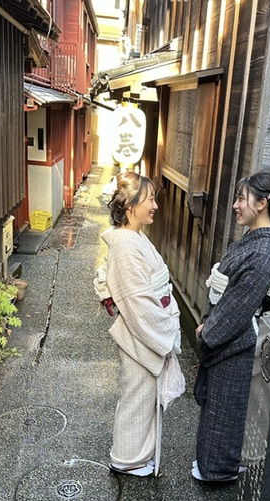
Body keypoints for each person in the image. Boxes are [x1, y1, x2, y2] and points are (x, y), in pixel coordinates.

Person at [193, 171, 270, 482]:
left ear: (262, 203)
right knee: (220, 407)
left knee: (226, 408)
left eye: (241, 198)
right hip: (228, 331)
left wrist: (208, 332)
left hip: (235, 341)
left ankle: (218, 470)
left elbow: (240, 304)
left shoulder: (263, 251)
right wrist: (209, 321)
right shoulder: (253, 241)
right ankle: (213, 464)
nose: (236, 205)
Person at [95, 172, 184, 477]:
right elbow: (137, 301)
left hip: (145, 328)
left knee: (143, 394)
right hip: (140, 331)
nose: (155, 205)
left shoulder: (134, 238)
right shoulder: (127, 245)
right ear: (130, 205)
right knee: (137, 394)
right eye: (150, 199)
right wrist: (167, 331)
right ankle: (127, 458)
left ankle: (135, 455)